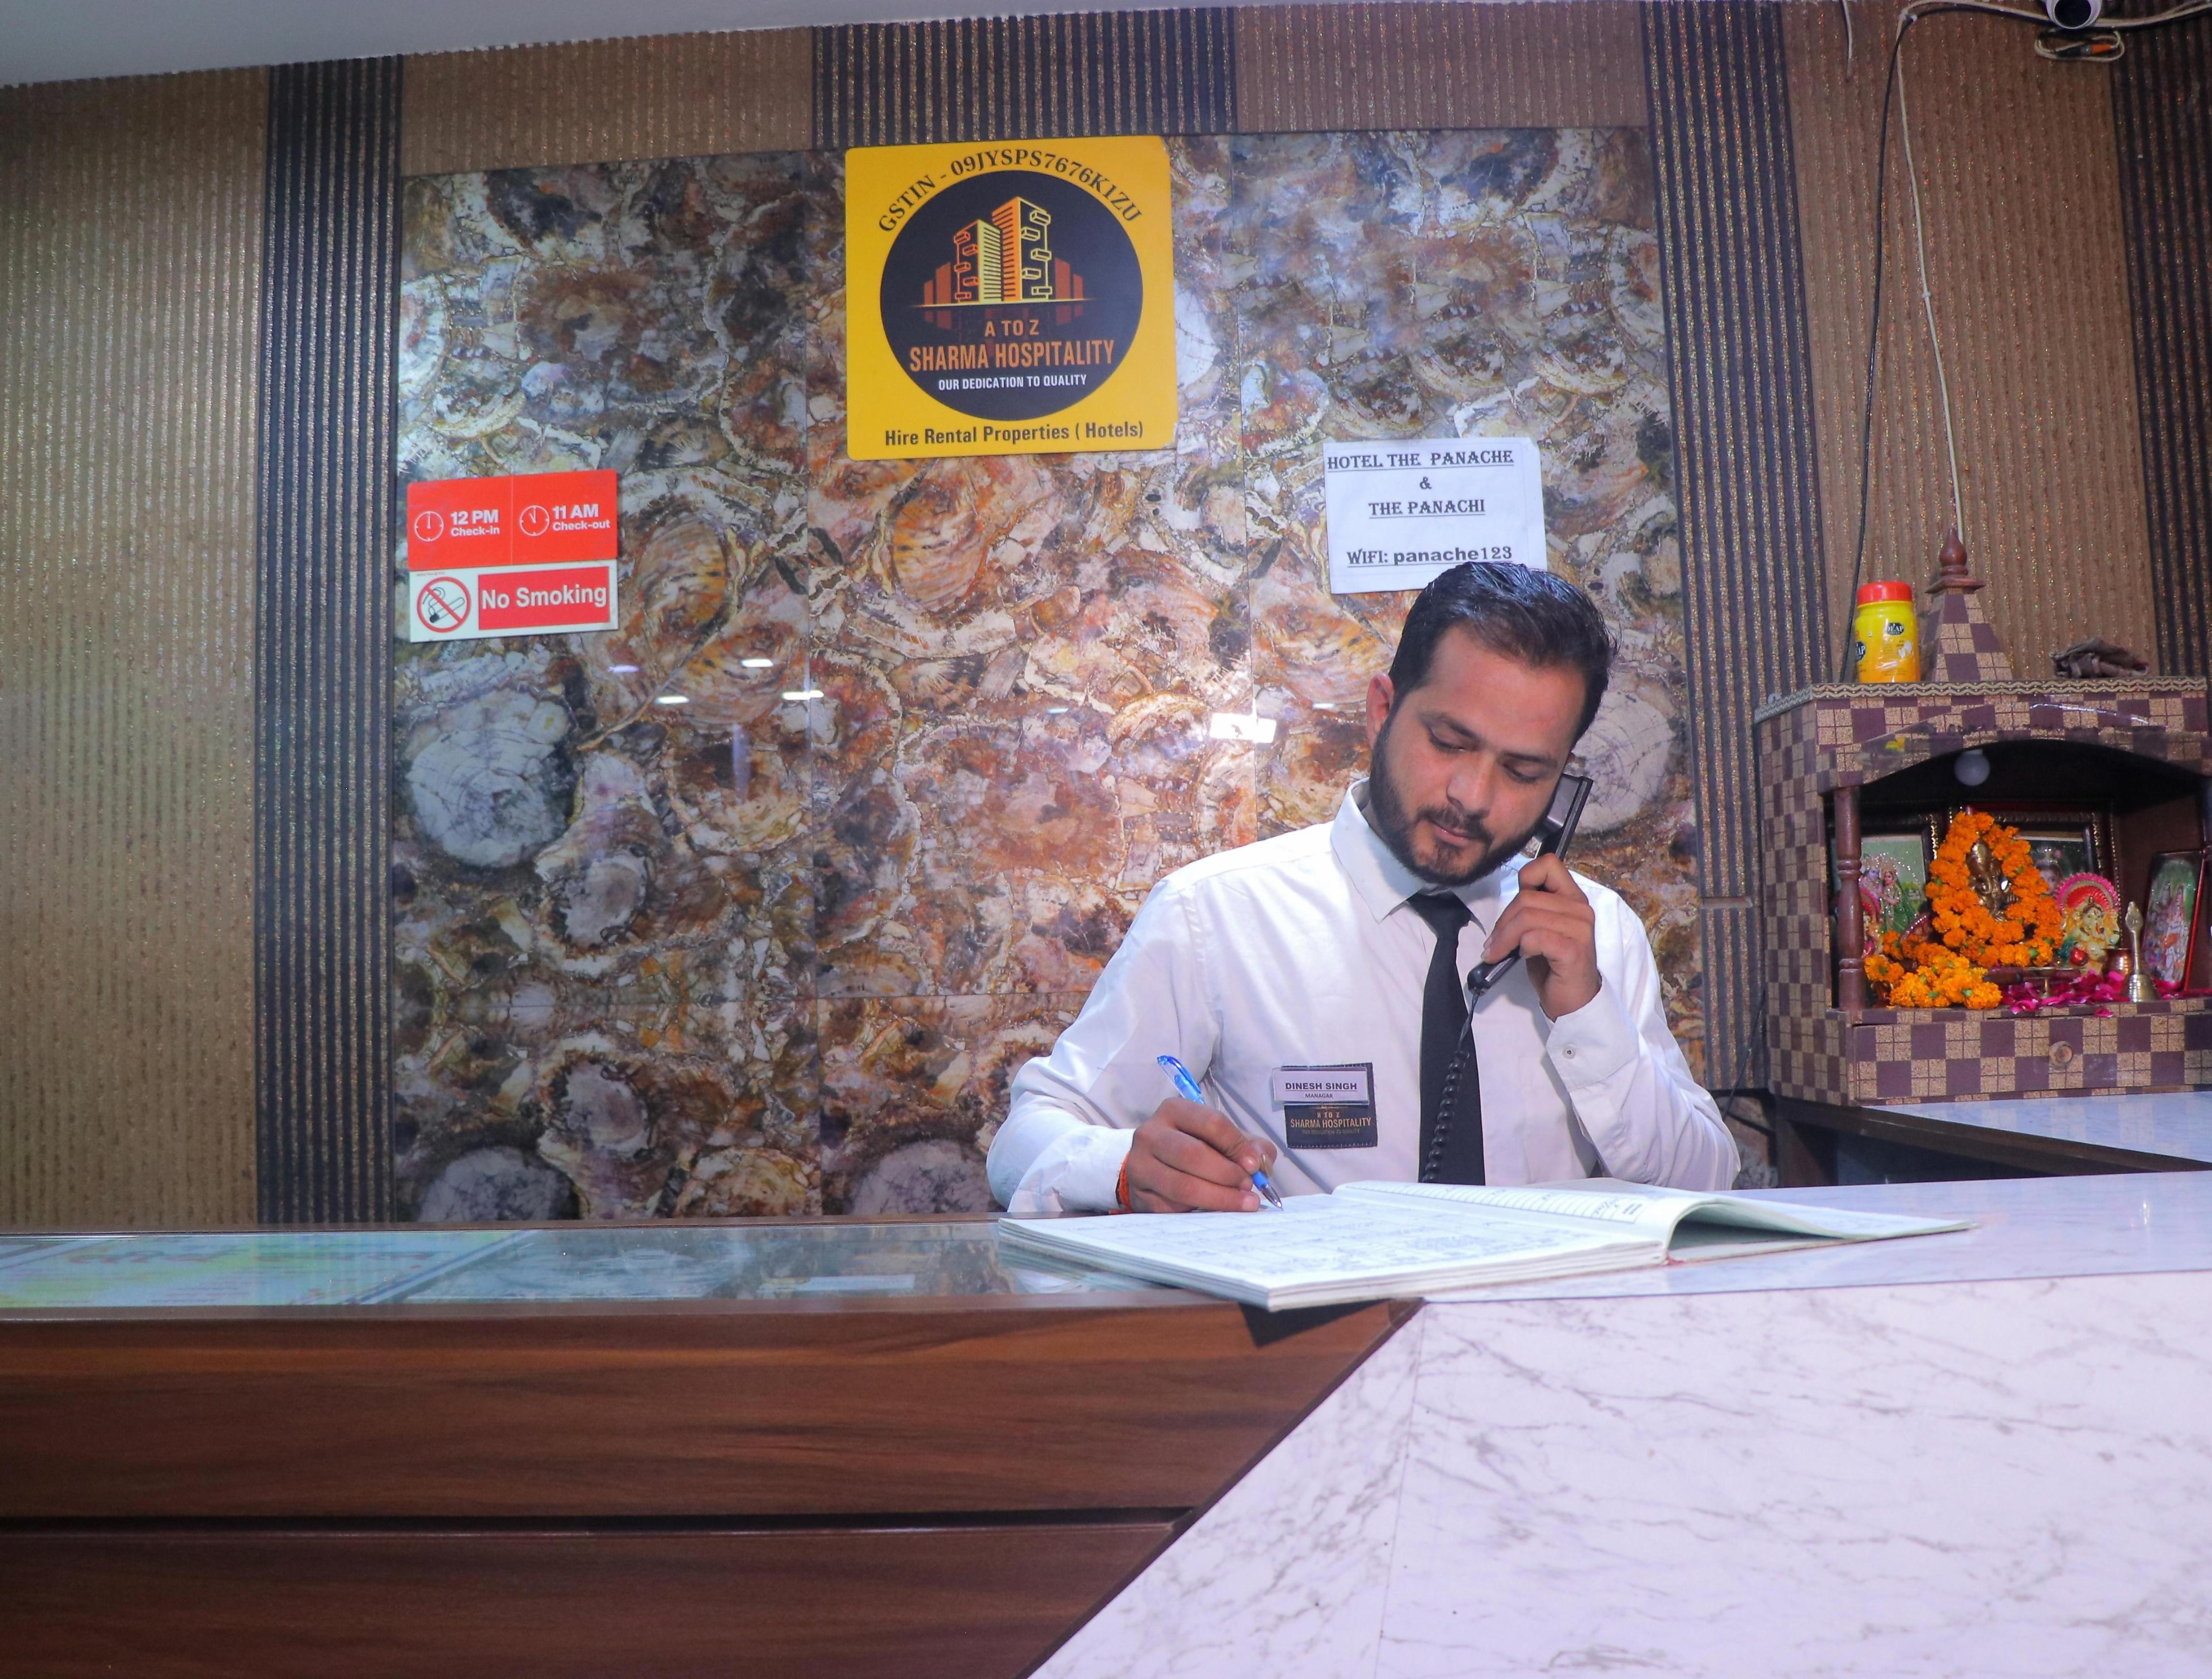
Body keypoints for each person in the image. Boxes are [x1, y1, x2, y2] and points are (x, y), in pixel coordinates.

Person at [986, 561, 1736, 1215]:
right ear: (1382, 712)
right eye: (1449, 743)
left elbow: (1709, 1183)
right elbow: (1025, 1139)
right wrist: (1124, 1169)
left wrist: (1588, 1013)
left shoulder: (1599, 934)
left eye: (1523, 771)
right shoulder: (1214, 918)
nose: (1473, 797)